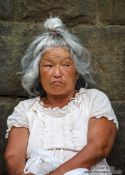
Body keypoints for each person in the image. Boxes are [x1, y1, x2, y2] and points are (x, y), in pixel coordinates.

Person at [4, 17, 118, 175]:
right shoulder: (26, 109)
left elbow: (99, 147)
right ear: (38, 72)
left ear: (77, 71)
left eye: (66, 65)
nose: (57, 73)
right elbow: (13, 155)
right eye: (49, 65)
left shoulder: (94, 99)